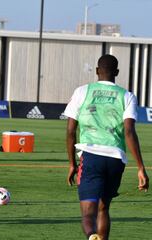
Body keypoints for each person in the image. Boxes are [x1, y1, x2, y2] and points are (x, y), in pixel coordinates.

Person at [64, 54, 149, 240]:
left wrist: (72, 163)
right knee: (104, 207)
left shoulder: (82, 91)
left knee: (88, 213)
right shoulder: (127, 96)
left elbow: (71, 131)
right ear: (117, 72)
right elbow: (129, 132)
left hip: (91, 156)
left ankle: (92, 236)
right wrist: (141, 168)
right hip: (116, 159)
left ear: (96, 71)